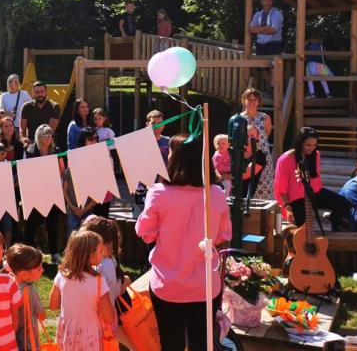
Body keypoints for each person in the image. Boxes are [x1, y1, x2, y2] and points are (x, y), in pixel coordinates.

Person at [136, 133, 231, 351]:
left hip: (168, 285)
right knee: (201, 344)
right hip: (204, 285)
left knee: (171, 345)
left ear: (175, 159)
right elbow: (223, 235)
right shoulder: (217, 194)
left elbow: (145, 232)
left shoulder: (158, 193)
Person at [50, 230, 116, 350]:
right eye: (100, 251)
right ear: (90, 255)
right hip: (90, 337)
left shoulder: (61, 276)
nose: (103, 254)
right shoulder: (99, 281)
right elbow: (108, 317)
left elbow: (53, 305)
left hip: (67, 333)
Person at [274, 127, 351, 230]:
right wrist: (287, 207)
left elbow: (316, 181)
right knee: (302, 229)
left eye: (314, 145)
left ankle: (334, 220)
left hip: (314, 193)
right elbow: (281, 188)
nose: (312, 148)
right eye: (308, 145)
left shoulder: (316, 154)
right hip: (295, 199)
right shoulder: (285, 159)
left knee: (344, 204)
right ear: (300, 143)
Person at [81, 215, 128, 341]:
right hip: (105, 320)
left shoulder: (97, 265)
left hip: (94, 321)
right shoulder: (109, 263)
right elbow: (116, 291)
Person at [24, 124, 67, 257]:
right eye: (45, 136)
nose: (48, 138)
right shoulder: (30, 151)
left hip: (52, 192)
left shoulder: (56, 150)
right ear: (39, 136)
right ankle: (27, 254)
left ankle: (54, 253)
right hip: (35, 192)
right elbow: (27, 171)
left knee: (52, 224)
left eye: (50, 135)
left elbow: (62, 170)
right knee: (32, 224)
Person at [5, 244, 45, 351]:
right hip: (28, 339)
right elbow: (42, 315)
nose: (43, 270)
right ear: (23, 274)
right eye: (39, 268)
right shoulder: (30, 290)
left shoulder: (7, 286)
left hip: (10, 338)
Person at [240, 88, 276, 200]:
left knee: (264, 183)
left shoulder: (265, 118)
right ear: (244, 100)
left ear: (258, 101)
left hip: (262, 156)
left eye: (254, 100)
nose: (252, 102)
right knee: (247, 184)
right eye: (249, 99)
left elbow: (266, 135)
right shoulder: (239, 118)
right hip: (246, 156)